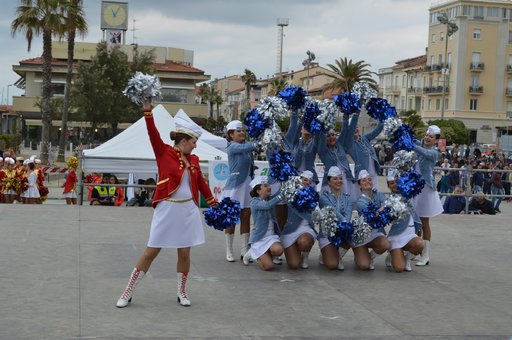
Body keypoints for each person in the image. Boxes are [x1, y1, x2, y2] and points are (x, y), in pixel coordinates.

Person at [116, 100, 217, 308]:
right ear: (184, 139)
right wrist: (147, 111)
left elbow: (201, 184)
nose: (195, 145)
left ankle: (181, 291)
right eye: (193, 141)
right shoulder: (164, 152)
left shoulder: (195, 160)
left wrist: (214, 203)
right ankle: (128, 291)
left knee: (185, 252)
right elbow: (152, 133)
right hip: (167, 208)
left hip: (188, 209)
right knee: (151, 251)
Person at [221, 120, 259, 262]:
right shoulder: (232, 147)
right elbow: (248, 148)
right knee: (231, 218)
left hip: (247, 185)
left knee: (245, 216)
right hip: (235, 187)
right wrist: (257, 143)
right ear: (231, 135)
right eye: (238, 131)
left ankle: (244, 251)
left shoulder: (246, 147)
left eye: (242, 130)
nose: (242, 133)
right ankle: (229, 250)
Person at [411, 125, 444, 266]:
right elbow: (414, 142)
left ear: (436, 140)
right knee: (415, 221)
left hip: (425, 189)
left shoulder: (433, 152)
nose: (427, 138)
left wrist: (411, 144)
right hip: (415, 187)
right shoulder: (421, 145)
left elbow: (421, 151)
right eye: (426, 135)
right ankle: (416, 250)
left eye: (431, 137)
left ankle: (425, 255)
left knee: (424, 222)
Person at [386, 171, 424, 273]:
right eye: (391, 183)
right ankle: (392, 255)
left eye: (397, 182)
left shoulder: (408, 194)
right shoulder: (389, 200)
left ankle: (407, 259)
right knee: (399, 268)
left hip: (410, 235)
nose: (395, 185)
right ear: (388, 186)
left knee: (420, 244)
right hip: (397, 235)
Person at [243, 176, 284, 270]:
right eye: (265, 186)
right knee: (269, 267)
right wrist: (281, 195)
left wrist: (286, 187)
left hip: (271, 237)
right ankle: (253, 253)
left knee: (278, 250)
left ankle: (266, 255)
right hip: (259, 238)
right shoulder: (254, 202)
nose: (269, 187)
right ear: (258, 191)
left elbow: (279, 194)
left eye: (268, 185)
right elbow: (267, 206)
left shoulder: (270, 199)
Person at [343, 112, 384, 203]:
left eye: (356, 127)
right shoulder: (350, 143)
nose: (356, 129)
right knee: (363, 202)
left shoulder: (365, 139)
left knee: (375, 201)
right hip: (362, 177)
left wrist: (381, 118)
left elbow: (377, 130)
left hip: (374, 175)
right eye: (353, 127)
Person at [280, 171, 318, 269]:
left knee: (305, 242)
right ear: (299, 180)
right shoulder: (290, 193)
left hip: (306, 229)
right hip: (291, 229)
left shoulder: (313, 195)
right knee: (294, 265)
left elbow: (321, 208)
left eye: (309, 182)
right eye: (305, 180)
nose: (307, 183)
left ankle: (305, 256)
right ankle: (296, 250)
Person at [318, 166, 352, 270]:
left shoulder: (347, 197)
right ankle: (325, 254)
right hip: (327, 234)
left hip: (341, 231)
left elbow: (348, 213)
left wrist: (346, 226)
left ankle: (339, 256)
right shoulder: (323, 197)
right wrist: (345, 222)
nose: (339, 181)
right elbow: (333, 211)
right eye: (335, 179)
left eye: (340, 178)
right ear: (329, 182)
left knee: (353, 234)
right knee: (332, 265)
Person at [354, 170, 390, 270]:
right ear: (359, 185)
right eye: (364, 180)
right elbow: (372, 215)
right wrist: (382, 208)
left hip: (376, 233)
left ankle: (371, 257)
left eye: (369, 179)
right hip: (362, 236)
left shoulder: (378, 194)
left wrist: (381, 209)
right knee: (364, 266)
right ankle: (359, 253)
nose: (367, 182)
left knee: (385, 244)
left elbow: (388, 202)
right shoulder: (360, 201)